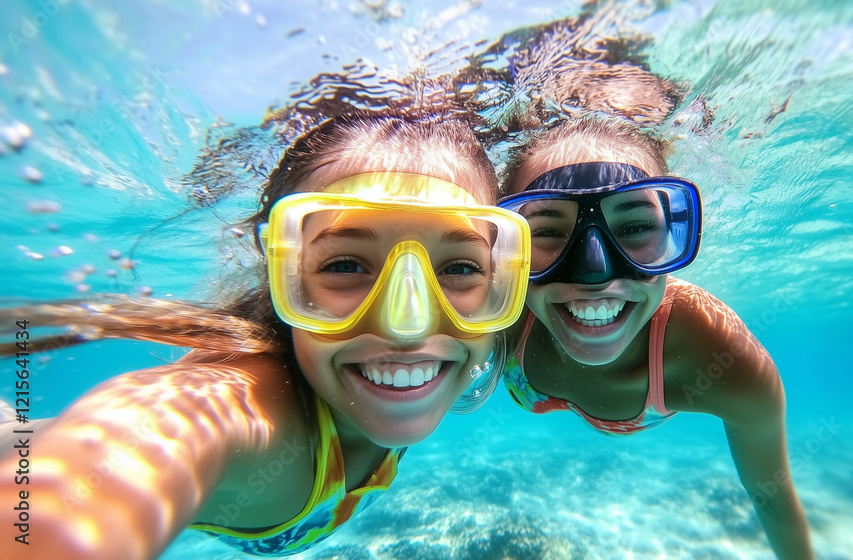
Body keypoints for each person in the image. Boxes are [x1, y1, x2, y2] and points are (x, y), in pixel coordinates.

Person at [0, 113, 530, 558]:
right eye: (346, 264)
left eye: (460, 268)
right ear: (284, 278)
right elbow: (127, 452)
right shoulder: (243, 416)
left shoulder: (435, 367)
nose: (406, 324)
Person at [497, 117, 815, 560]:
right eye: (547, 231)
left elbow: (775, 501)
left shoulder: (719, 354)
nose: (595, 271)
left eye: (634, 227)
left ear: (672, 236)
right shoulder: (495, 312)